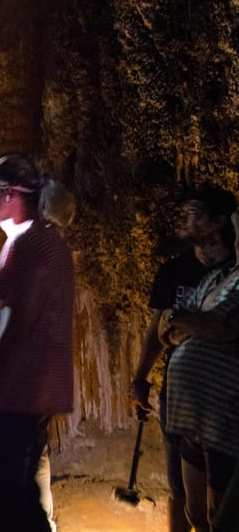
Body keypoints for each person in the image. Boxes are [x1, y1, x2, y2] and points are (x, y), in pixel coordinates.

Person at [0, 153, 75, 532]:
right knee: (18, 494)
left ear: (9, 194)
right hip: (40, 394)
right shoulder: (52, 243)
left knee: (3, 498)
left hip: (14, 393)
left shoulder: (21, 249)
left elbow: (5, 330)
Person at [131, 186, 235, 532]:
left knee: (223, 503)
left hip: (226, 405)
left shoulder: (232, 272)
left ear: (220, 220)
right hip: (182, 399)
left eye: (196, 211)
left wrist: (179, 323)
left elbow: (218, 327)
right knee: (181, 489)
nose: (184, 215)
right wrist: (140, 377)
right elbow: (157, 331)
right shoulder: (173, 272)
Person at [160, 205, 239, 531]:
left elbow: (222, 328)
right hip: (193, 418)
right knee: (194, 511)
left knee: (220, 515)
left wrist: (183, 321)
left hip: (225, 421)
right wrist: (185, 322)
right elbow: (168, 330)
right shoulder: (220, 277)